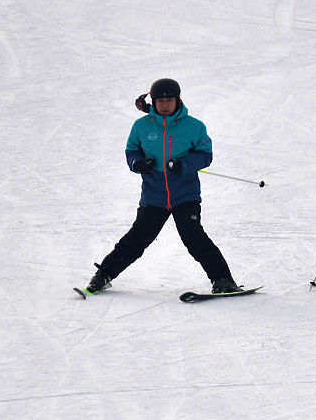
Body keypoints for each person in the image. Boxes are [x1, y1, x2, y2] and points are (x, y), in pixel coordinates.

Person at [85, 78, 240, 295]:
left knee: (194, 237)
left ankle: (223, 280)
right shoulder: (141, 126)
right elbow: (131, 151)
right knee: (137, 239)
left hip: (185, 196)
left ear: (178, 101)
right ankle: (103, 276)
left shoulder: (194, 126)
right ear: (154, 102)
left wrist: (184, 165)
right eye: (161, 101)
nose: (165, 105)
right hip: (153, 197)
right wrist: (138, 163)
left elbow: (205, 156)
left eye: (169, 100)